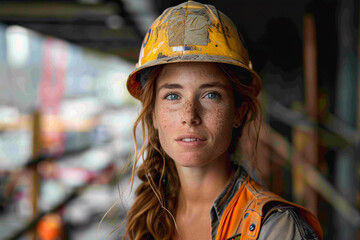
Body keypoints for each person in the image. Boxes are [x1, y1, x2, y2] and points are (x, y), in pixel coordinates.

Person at [123, 1, 323, 240]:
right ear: (153, 114)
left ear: (238, 112)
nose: (190, 116)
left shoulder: (277, 229)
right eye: (173, 96)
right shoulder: (150, 217)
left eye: (210, 95)